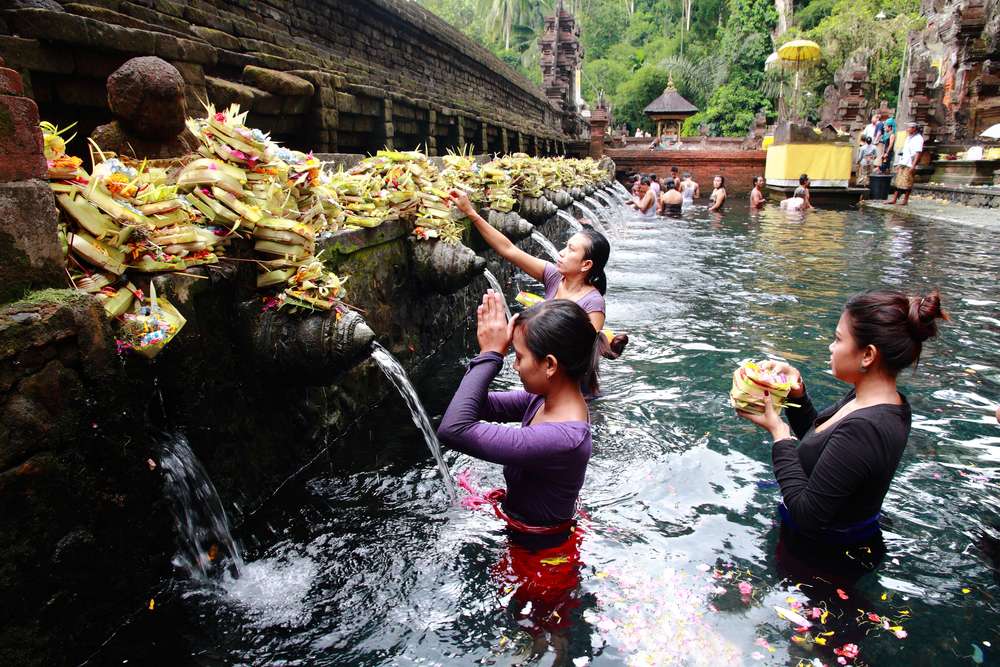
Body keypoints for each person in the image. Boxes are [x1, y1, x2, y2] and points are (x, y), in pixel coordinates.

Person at [737, 289, 948, 555]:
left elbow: (807, 516)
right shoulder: (875, 402)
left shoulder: (866, 428)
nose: (831, 347)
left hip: (823, 559)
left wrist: (779, 434)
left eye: (838, 339)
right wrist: (796, 393)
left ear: (868, 355)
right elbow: (823, 444)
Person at [438, 295, 598, 644]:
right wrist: (489, 352)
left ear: (550, 365)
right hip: (526, 533)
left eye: (519, 357)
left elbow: (454, 429)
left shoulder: (563, 436)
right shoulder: (543, 399)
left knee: (542, 632)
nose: (514, 365)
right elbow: (469, 406)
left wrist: (490, 355)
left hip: (543, 558)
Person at [449, 189, 627, 360]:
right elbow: (508, 249)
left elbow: (583, 357)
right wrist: (471, 212)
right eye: (565, 246)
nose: (561, 253)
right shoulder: (555, 277)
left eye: (571, 250)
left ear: (586, 264)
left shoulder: (592, 303)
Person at [889, 123, 924, 206]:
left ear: (914, 129)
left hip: (910, 163)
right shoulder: (908, 137)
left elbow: (918, 153)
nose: (907, 129)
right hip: (903, 161)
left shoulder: (919, 139)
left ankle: (905, 200)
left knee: (908, 183)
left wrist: (913, 165)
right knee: (898, 182)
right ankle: (894, 199)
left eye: (908, 128)